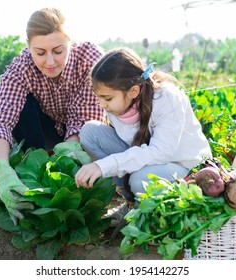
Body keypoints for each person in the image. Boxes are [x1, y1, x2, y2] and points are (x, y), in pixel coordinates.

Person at [0, 7, 104, 225]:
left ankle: (63, 168)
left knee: (88, 134)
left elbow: (84, 120)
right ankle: (35, 166)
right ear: (29, 47)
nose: (50, 62)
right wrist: (2, 169)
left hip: (84, 137)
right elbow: (1, 121)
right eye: (40, 53)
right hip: (45, 133)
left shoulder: (90, 60)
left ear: (70, 42)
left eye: (58, 51)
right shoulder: (21, 67)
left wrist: (67, 158)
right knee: (19, 107)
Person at [74, 47, 212, 223]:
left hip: (184, 167)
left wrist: (103, 166)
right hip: (146, 159)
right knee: (89, 133)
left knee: (141, 179)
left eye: (107, 98)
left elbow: (160, 153)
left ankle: (144, 217)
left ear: (133, 91)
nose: (102, 104)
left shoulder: (167, 99)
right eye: (99, 97)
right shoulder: (119, 103)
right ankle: (131, 202)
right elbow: (136, 148)